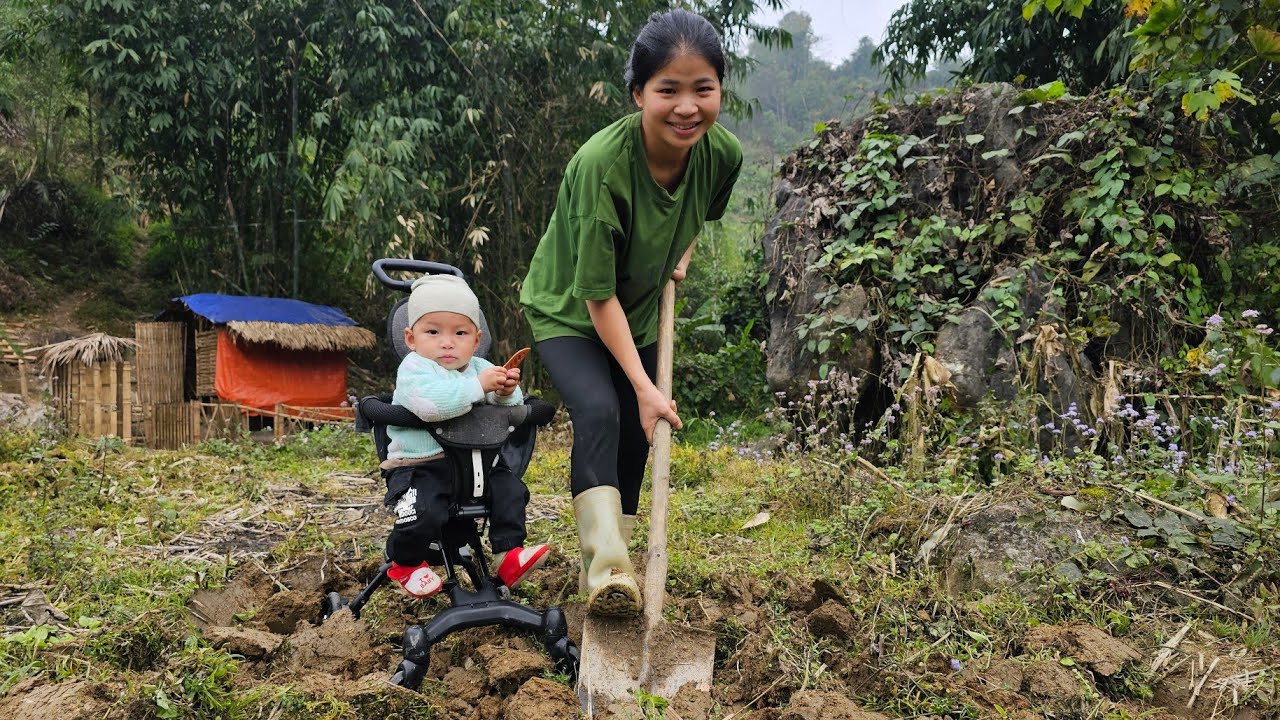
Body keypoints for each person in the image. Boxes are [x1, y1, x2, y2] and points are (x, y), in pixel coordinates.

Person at [519, 9, 742, 616]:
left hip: (638, 308)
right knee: (601, 410)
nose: (687, 107)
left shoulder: (721, 153)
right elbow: (596, 296)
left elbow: (703, 210)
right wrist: (643, 386)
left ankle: (613, 545)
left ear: (720, 89)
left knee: (636, 440)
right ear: (639, 93)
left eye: (704, 89)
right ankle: (607, 572)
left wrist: (682, 251)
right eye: (668, 90)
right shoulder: (601, 169)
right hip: (571, 309)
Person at [382, 274, 550, 598]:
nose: (447, 342)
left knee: (510, 490)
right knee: (423, 509)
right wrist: (479, 387)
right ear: (411, 338)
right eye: (433, 332)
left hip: (475, 466)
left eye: (460, 333)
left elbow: (506, 406)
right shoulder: (414, 369)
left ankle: (508, 554)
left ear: (476, 340)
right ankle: (404, 562)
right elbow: (433, 404)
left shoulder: (478, 367)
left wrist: (505, 393)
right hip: (421, 466)